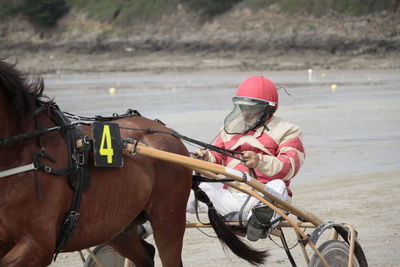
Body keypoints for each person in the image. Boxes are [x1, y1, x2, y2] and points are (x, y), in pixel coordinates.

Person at [187, 75, 305, 241]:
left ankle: (258, 222)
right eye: (243, 107)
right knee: (187, 184)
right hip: (230, 197)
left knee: (277, 185)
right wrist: (207, 157)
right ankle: (145, 224)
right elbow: (218, 156)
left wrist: (259, 161)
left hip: (264, 198)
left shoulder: (289, 131)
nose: (247, 112)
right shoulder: (229, 129)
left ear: (268, 109)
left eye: (253, 108)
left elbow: (289, 167)